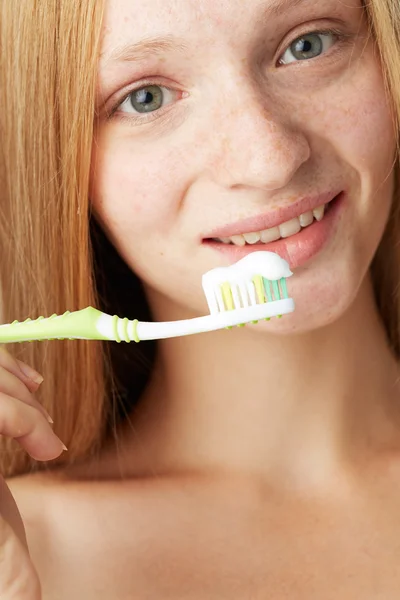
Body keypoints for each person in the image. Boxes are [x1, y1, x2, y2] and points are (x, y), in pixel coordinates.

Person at [1, 0, 400, 597]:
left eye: (308, 44)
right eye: (146, 98)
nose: (269, 160)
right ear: (60, 161)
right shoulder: (25, 553)